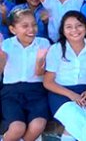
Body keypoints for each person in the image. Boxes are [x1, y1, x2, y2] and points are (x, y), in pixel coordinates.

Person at [43, 11, 86, 140]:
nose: (74, 30)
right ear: (63, 30)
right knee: (75, 117)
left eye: (79, 25)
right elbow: (48, 82)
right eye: (68, 27)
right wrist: (71, 95)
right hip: (61, 93)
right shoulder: (56, 49)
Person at [0, 9, 50, 141]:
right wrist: (1, 57)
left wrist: (40, 62)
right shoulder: (6, 45)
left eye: (34, 25)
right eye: (25, 26)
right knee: (17, 128)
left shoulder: (43, 43)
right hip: (11, 92)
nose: (31, 29)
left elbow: (42, 73)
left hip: (36, 91)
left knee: (38, 125)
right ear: (12, 29)